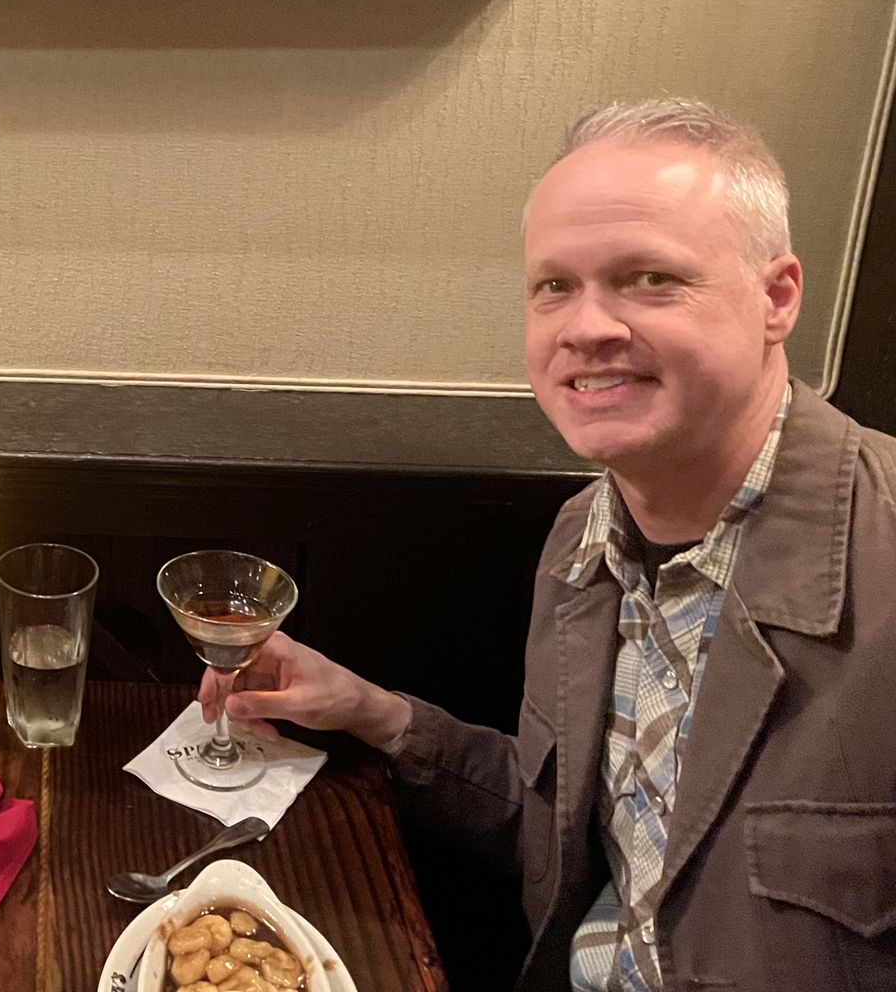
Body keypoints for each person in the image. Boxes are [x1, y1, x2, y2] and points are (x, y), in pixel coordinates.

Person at [201, 100, 896, 990]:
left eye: (651, 278)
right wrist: (370, 711)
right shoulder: (583, 540)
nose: (588, 328)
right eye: (554, 286)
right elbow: (564, 830)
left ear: (776, 297)